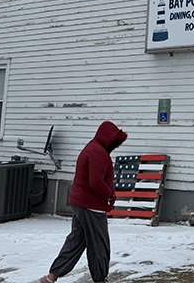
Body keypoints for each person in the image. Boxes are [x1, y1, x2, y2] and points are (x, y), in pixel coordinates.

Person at [39, 121, 127, 283]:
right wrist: (110, 195)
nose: (115, 146)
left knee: (76, 241)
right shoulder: (98, 153)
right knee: (99, 245)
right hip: (92, 206)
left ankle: (51, 277)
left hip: (81, 203)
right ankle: (100, 279)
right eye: (114, 142)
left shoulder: (92, 148)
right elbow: (96, 182)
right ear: (107, 138)